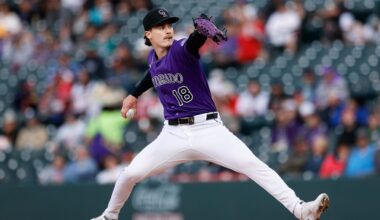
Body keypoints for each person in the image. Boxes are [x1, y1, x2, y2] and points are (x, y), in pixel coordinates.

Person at [92, 8, 329, 220]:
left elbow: (192, 43)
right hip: (172, 134)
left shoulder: (182, 48)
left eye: (169, 26)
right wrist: (134, 94)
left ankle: (301, 210)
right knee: (129, 174)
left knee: (253, 165)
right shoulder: (153, 58)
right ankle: (109, 216)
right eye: (160, 27)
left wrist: (200, 32)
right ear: (147, 35)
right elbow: (152, 73)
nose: (167, 31)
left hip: (208, 129)